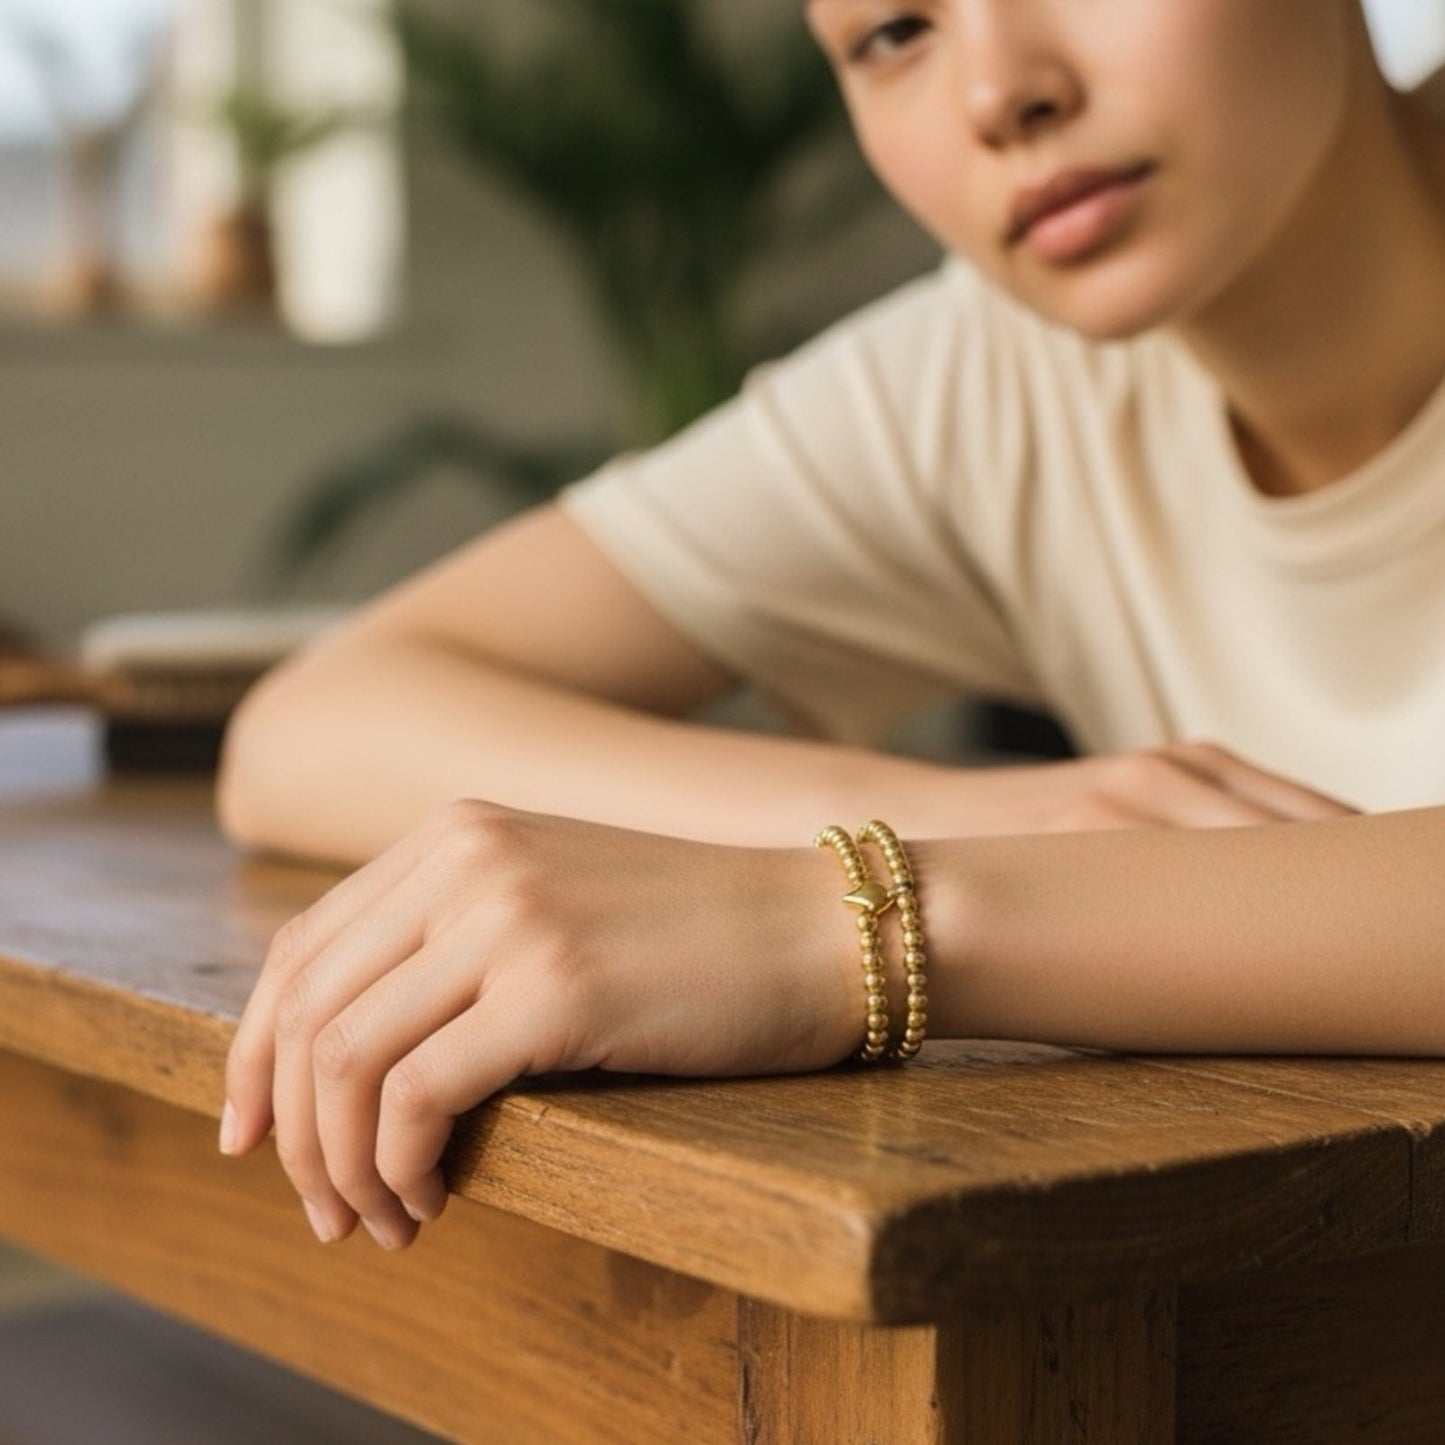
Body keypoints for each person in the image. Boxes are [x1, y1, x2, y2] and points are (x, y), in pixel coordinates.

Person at [213, 0, 1445, 1255]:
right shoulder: (986, 373)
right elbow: (314, 727)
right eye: (893, 32)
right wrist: (963, 827)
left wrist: (862, 919)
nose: (997, 93)